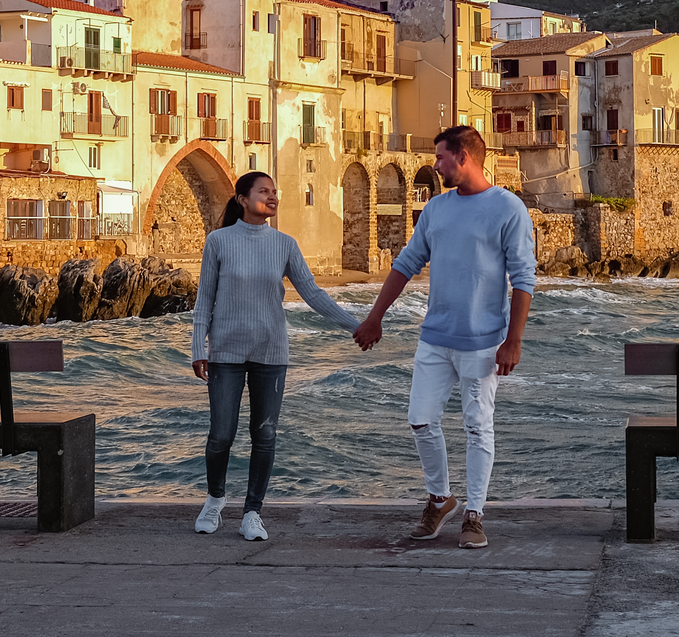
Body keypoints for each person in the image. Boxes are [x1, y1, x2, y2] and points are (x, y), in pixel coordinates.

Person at [352, 124, 536, 550]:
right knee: (420, 419)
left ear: (464, 158)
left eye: (440, 158)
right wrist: (375, 317)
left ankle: (474, 513)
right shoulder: (436, 209)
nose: (435, 166)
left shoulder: (508, 208)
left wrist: (514, 340)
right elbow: (406, 263)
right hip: (435, 337)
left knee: (478, 427)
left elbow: (524, 278)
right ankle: (440, 498)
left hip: (484, 340)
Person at [190, 171, 360, 540]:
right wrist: (197, 348)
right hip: (225, 352)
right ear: (241, 199)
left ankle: (253, 512)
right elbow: (204, 300)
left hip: (271, 352)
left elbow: (313, 294)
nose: (273, 197)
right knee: (221, 434)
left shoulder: (285, 244)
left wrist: (356, 326)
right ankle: (215, 500)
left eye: (274, 192)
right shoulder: (218, 241)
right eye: (263, 191)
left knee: (264, 434)